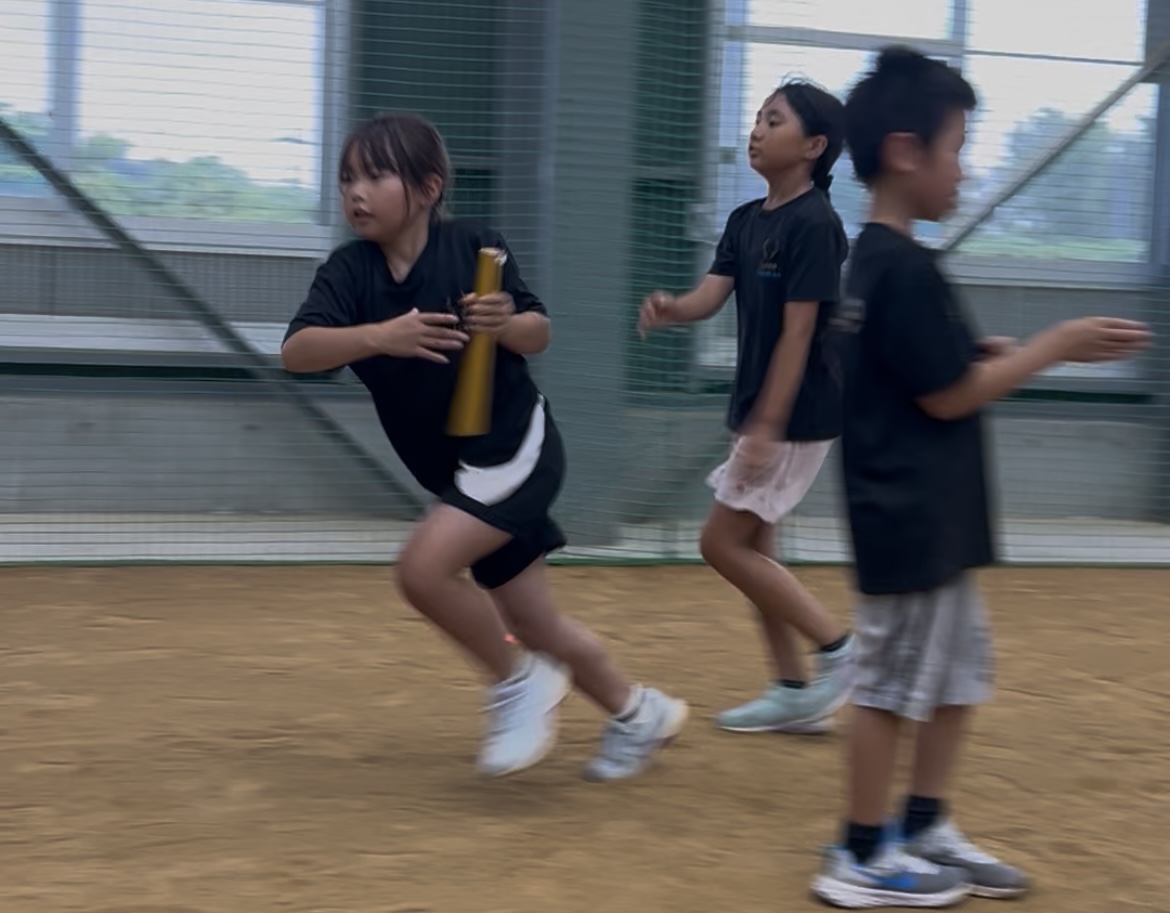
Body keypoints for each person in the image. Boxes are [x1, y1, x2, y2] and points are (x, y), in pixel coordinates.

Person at [811, 47, 1151, 909]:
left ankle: (923, 826)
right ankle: (858, 855)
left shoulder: (879, 264)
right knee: (889, 690)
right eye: (958, 147)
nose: (965, 169)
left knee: (958, 675)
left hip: (929, 518)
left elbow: (920, 369)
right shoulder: (902, 267)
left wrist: (981, 351)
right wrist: (1051, 346)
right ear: (904, 151)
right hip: (909, 518)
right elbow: (948, 397)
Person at [282, 112, 688, 782]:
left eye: (375, 175)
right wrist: (378, 336)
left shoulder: (476, 247)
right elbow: (297, 352)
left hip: (510, 447)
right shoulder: (349, 273)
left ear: (429, 185)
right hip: (457, 475)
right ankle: (640, 713)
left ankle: (518, 684)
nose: (355, 191)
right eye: (347, 177)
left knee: (420, 570)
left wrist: (506, 324)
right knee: (537, 624)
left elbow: (539, 332)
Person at [638, 82, 855, 734]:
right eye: (757, 118)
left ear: (813, 147)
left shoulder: (817, 224)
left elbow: (799, 334)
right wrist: (675, 308)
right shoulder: (745, 220)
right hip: (764, 413)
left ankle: (841, 653)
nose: (756, 130)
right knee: (759, 550)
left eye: (774, 120)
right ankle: (791, 688)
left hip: (795, 415)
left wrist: (766, 426)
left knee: (720, 543)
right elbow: (710, 297)